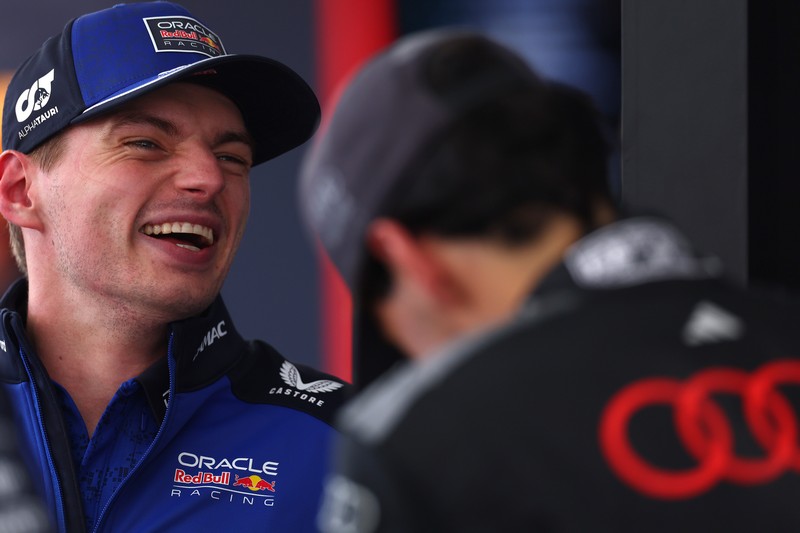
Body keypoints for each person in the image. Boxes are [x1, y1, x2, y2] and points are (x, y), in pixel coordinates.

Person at [299, 30, 800, 532]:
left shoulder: (420, 441)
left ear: (405, 257)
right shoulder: (782, 328)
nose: (413, 357)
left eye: (388, 327)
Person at [0, 2, 350, 532]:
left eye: (232, 157)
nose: (209, 178)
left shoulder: (341, 443)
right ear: (20, 191)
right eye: (146, 144)